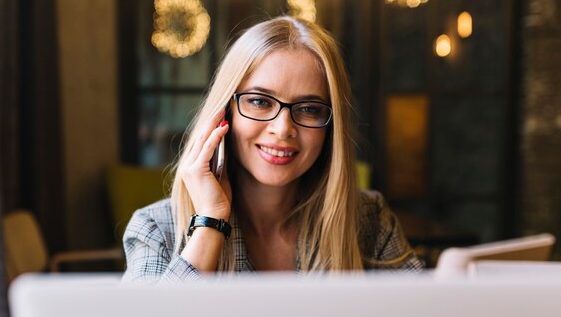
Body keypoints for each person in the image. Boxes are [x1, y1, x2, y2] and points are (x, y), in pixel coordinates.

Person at [123, 16, 424, 283]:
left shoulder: (369, 220)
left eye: (309, 108)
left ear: (330, 126)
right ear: (224, 112)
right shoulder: (157, 229)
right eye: (259, 101)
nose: (282, 129)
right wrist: (211, 221)